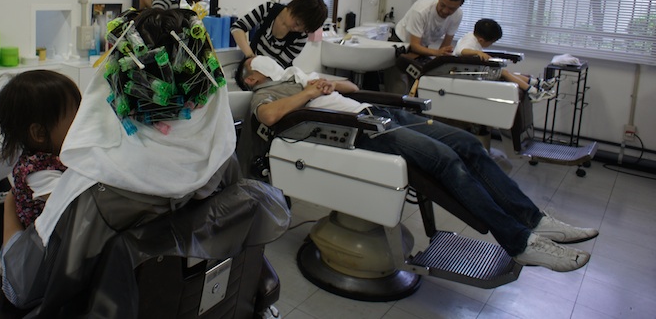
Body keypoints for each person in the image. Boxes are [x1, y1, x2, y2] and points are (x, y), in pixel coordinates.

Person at [0, 8, 289, 315]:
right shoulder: (221, 158)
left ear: (119, 80)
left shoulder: (90, 194)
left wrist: (9, 206)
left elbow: (19, 288)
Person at [236, 55, 598, 272]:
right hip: (361, 130)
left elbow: (350, 88)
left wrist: (321, 82)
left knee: (469, 144)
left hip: (379, 112)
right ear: (251, 77)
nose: (265, 62)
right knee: (445, 160)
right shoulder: (264, 92)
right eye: (257, 63)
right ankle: (519, 242)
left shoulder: (298, 76)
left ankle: (535, 220)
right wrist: (307, 93)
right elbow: (269, 117)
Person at [0, 70, 82, 229]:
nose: (83, 122)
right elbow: (79, 208)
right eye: (76, 117)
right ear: (39, 133)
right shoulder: (37, 172)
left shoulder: (58, 156)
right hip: (50, 243)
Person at [455, 18, 556, 102]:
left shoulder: (472, 37)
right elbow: (461, 51)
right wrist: (478, 52)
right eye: (491, 42)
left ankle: (539, 83)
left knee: (506, 73)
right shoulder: (469, 41)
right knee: (504, 73)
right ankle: (533, 92)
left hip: (474, 70)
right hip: (467, 73)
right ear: (481, 40)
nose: (491, 44)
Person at [230, 0, 328, 68]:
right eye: (297, 23)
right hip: (250, 67)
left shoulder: (301, 37)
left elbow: (278, 66)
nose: (296, 29)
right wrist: (250, 57)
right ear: (293, 8)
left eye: (303, 29)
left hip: (274, 75)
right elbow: (237, 27)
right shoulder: (268, 9)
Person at [393, 0, 467, 57]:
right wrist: (437, 52)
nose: (445, 11)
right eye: (442, 5)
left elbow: (445, 48)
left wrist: (440, 57)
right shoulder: (420, 10)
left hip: (422, 45)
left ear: (460, 5)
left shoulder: (458, 15)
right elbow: (414, 46)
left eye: (451, 9)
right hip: (401, 42)